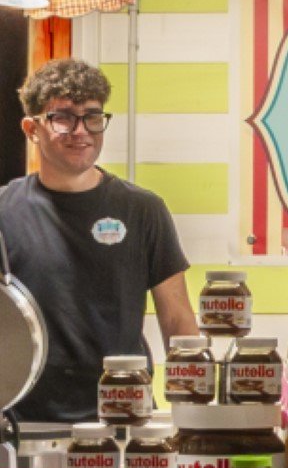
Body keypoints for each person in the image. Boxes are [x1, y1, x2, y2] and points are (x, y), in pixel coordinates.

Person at [0, 57, 199, 424]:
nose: (81, 131)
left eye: (92, 116)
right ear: (32, 129)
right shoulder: (4, 211)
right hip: (27, 423)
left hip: (125, 421)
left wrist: (195, 419)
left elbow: (177, 320)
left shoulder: (143, 210)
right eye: (63, 118)